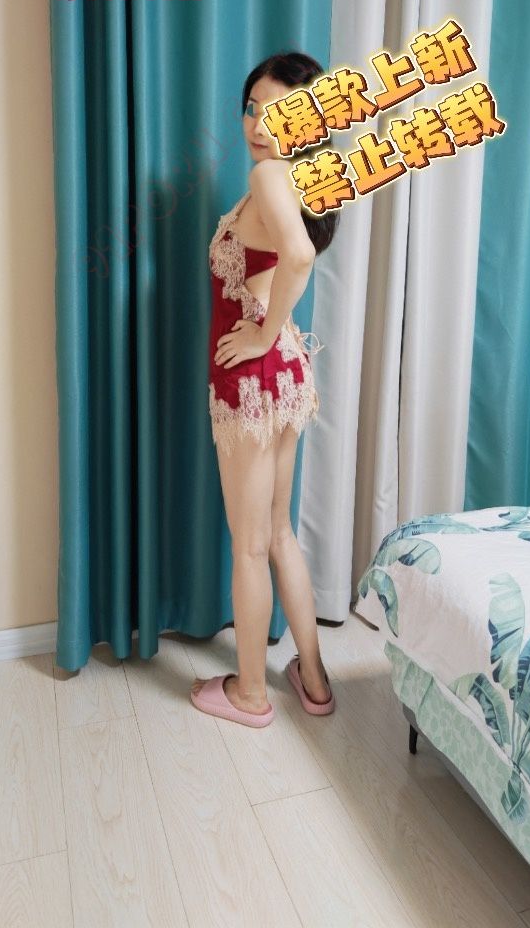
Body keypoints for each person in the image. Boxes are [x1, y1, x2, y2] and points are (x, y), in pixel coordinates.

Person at [191, 52, 340, 728]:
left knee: (251, 544)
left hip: (252, 382)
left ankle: (250, 694)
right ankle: (314, 680)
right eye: (252, 109)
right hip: (285, 375)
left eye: (277, 113)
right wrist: (271, 333)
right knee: (278, 533)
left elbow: (299, 257)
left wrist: (260, 333)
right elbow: (291, 255)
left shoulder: (269, 175)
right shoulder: (297, 177)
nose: (257, 124)